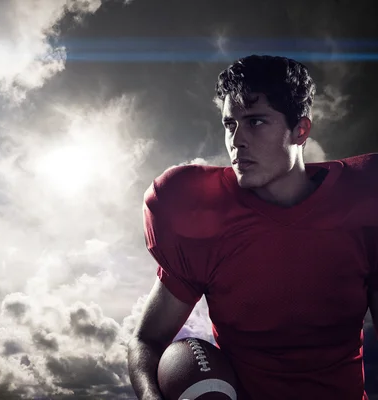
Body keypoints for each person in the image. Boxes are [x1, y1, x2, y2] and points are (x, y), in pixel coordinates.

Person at [127, 54, 378, 400]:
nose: (237, 140)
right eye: (230, 125)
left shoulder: (363, 203)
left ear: (300, 130)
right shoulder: (204, 216)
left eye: (255, 122)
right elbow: (147, 340)